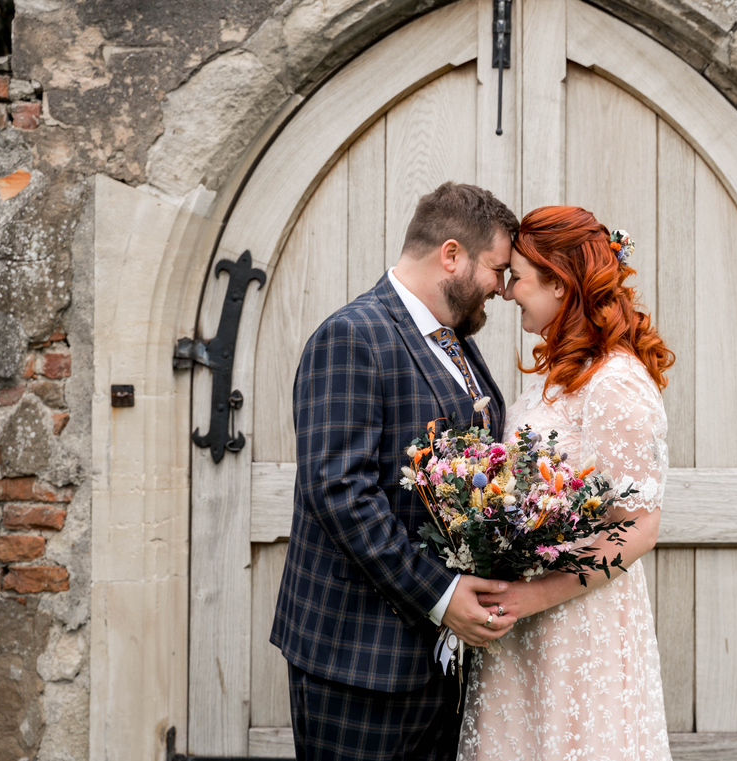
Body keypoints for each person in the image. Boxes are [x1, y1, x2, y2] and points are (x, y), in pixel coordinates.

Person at [271, 182, 520, 761]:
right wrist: (442, 595)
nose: (503, 290)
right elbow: (339, 492)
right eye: (496, 269)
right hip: (357, 662)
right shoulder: (352, 335)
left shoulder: (453, 340)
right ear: (451, 255)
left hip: (437, 663)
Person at [457, 206, 675, 760]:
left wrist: (532, 596)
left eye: (519, 278)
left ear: (559, 282)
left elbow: (640, 528)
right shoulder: (560, 376)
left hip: (578, 627)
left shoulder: (615, 383)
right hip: (525, 629)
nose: (507, 293)